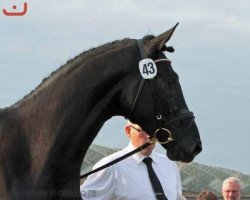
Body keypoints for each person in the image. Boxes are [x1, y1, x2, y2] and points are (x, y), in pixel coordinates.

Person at [80, 120, 183, 200]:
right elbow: (83, 196)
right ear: (129, 131)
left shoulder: (169, 164)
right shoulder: (111, 166)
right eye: (144, 129)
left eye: (154, 129)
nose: (149, 135)